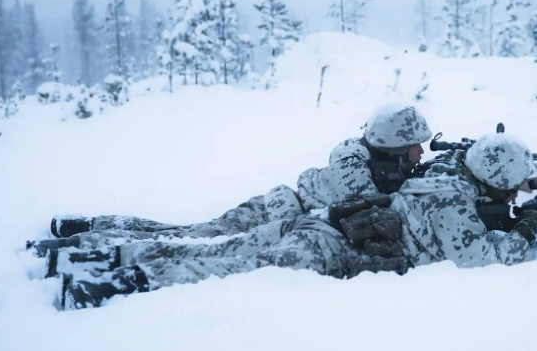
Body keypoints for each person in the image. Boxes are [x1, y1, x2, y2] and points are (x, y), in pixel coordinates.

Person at [61, 133, 537, 309]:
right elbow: (482, 260)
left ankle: (96, 252)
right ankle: (106, 283)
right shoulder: (453, 201)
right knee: (220, 269)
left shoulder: (442, 174)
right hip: (328, 248)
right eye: (516, 182)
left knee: (208, 247)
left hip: (317, 223)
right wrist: (529, 225)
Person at [33, 102, 433, 255]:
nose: (420, 152)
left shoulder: (385, 160)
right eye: (415, 144)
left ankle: (86, 233)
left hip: (286, 218)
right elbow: (368, 203)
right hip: (270, 214)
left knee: (188, 236)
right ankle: (83, 235)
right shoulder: (353, 160)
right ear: (395, 145)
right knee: (188, 237)